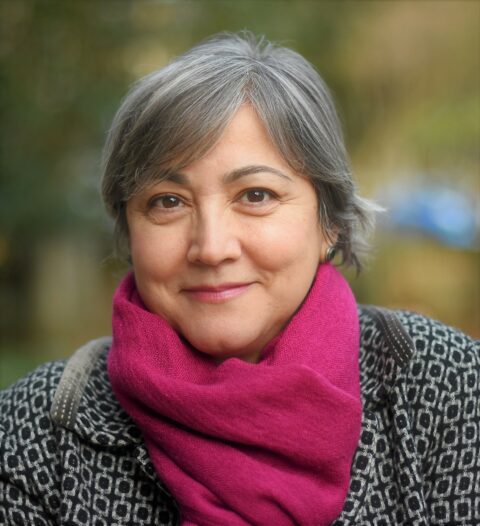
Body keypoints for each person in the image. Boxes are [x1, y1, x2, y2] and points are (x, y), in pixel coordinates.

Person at [1, 32, 478, 526]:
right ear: (129, 231)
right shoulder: (34, 436)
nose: (211, 248)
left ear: (329, 222)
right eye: (168, 202)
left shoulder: (452, 391)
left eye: (255, 195)